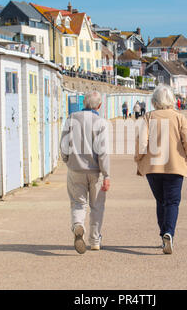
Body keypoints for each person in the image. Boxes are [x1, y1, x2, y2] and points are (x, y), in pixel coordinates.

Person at [135, 85, 187, 255]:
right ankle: (168, 233)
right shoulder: (179, 117)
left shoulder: (148, 117)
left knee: (161, 201)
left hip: (153, 167)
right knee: (172, 202)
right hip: (175, 166)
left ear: (154, 101)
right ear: (171, 100)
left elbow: (142, 142)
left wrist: (139, 159)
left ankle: (164, 234)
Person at [60, 91, 110, 254]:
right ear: (99, 105)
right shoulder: (100, 122)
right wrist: (106, 174)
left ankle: (77, 225)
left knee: (78, 202)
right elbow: (102, 152)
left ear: (84, 103)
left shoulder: (71, 118)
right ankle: (95, 240)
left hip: (75, 169)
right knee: (97, 206)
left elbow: (64, 144)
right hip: (95, 171)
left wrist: (67, 160)